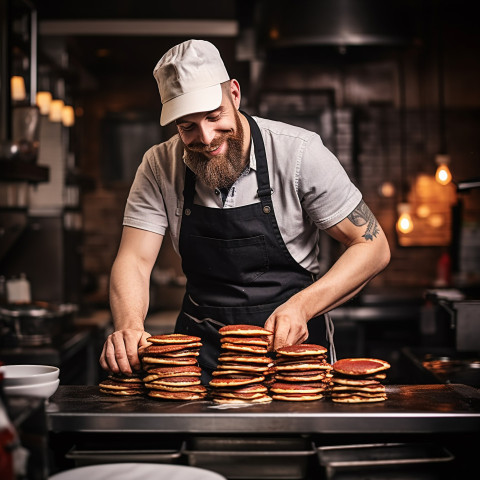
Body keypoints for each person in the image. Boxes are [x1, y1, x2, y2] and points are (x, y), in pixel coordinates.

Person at [99, 39, 390, 382]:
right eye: (187, 126)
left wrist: (302, 306)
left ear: (234, 94)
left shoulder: (299, 154)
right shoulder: (159, 164)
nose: (206, 138)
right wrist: (130, 327)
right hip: (197, 359)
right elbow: (134, 260)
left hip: (291, 354)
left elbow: (372, 245)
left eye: (213, 115)